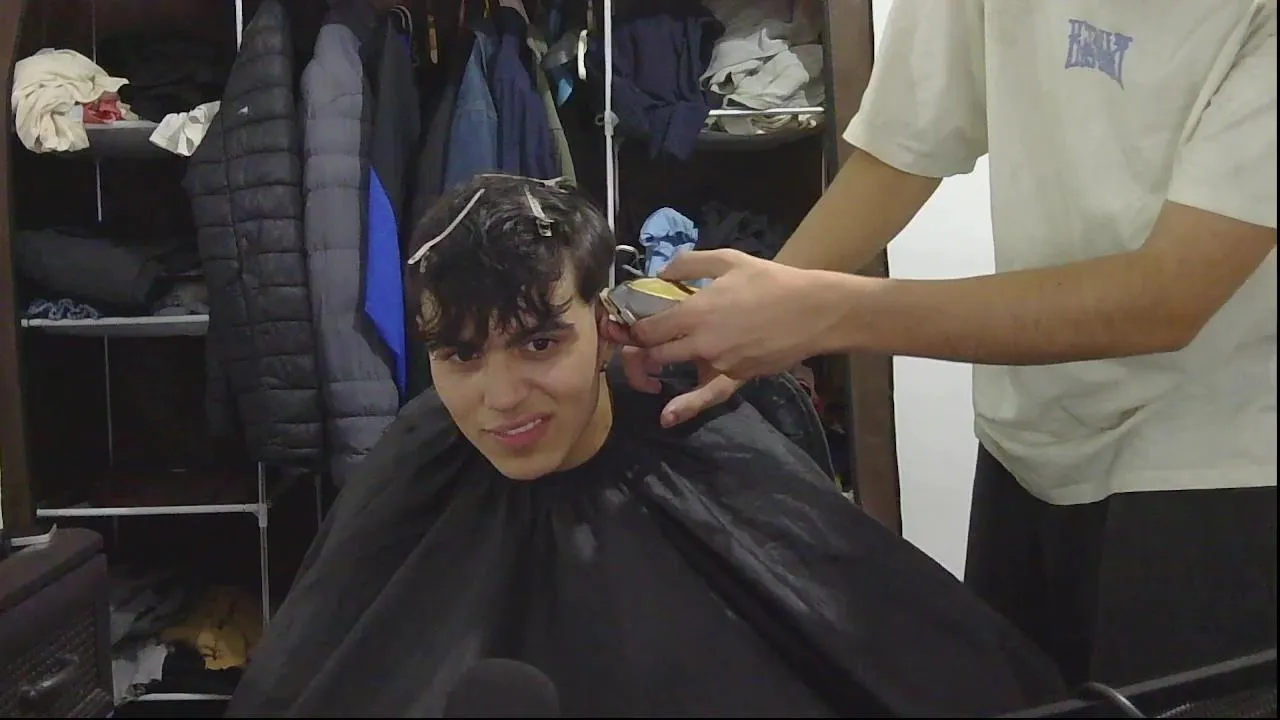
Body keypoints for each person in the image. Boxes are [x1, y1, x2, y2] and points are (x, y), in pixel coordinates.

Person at [612, 0, 1278, 690]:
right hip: (1029, 436)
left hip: (1217, 462)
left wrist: (823, 312)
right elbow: (906, 148)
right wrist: (750, 311)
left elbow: (1165, 299)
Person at [224, 174, 1066, 718]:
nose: (500, 398)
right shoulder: (416, 467)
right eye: (461, 356)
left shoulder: (698, 450)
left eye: (540, 344)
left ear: (607, 324)